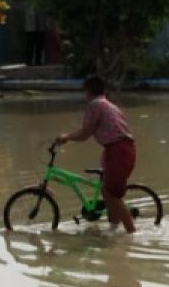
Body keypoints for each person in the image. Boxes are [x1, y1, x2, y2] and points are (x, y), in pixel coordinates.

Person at [56, 75, 136, 233]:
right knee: (107, 191)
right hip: (119, 149)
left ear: (89, 91)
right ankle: (114, 227)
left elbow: (85, 133)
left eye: (85, 91)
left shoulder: (95, 104)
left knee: (112, 195)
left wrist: (66, 137)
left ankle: (132, 233)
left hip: (119, 150)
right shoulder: (108, 104)